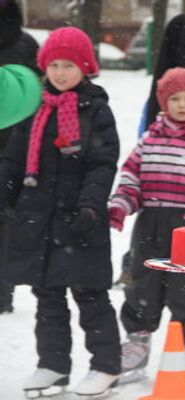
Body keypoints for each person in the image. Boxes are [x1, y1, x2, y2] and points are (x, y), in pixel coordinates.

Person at [0, 27, 121, 396]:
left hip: (80, 220)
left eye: (68, 65)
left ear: (85, 67)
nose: (60, 73)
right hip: (39, 220)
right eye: (54, 65)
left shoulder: (96, 110)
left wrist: (90, 204)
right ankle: (53, 364)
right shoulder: (35, 110)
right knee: (47, 298)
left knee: (90, 296)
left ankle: (106, 365)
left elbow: (103, 163)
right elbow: (13, 160)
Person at [109, 67, 185, 386]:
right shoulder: (148, 140)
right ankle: (137, 342)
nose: (181, 104)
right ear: (164, 102)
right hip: (151, 222)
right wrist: (122, 203)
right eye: (174, 98)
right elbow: (131, 176)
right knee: (142, 284)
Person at [0, 0, 41, 313]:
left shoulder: (27, 45)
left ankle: (2, 290)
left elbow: (39, 95)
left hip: (13, 146)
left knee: (4, 220)